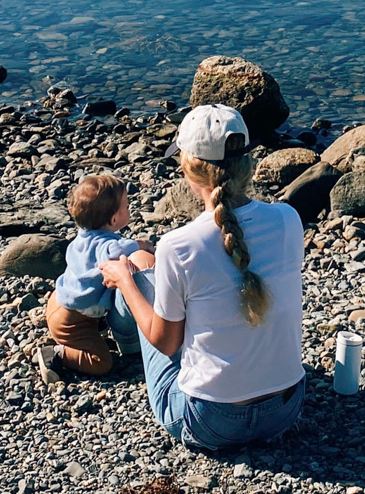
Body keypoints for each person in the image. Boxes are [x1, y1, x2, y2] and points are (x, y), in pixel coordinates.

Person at [100, 104, 304, 451]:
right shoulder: (287, 219)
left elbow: (166, 344)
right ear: (247, 165)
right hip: (285, 409)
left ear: (189, 171)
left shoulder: (179, 245)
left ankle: (119, 342)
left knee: (135, 275)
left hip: (212, 421)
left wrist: (125, 281)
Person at [43, 173, 155, 376]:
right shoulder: (107, 246)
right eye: (127, 207)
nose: (130, 208)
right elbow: (115, 251)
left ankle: (95, 327)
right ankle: (56, 354)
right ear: (113, 219)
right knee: (102, 362)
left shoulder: (84, 236)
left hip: (59, 301)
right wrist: (140, 245)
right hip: (72, 323)